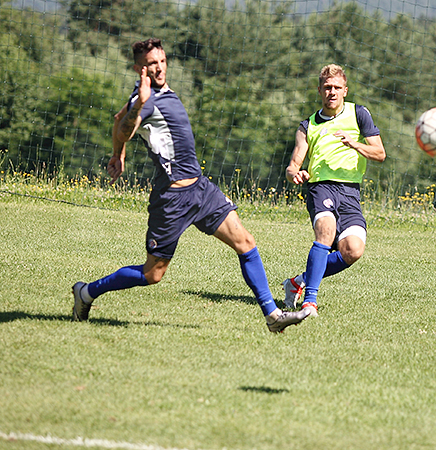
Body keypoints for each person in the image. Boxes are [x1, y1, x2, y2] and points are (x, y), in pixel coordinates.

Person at [72, 38, 312, 333]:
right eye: (151, 64)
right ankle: (86, 292)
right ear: (139, 68)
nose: (159, 68)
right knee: (153, 273)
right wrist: (139, 109)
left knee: (246, 242)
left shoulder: (161, 93)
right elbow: (125, 126)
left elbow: (116, 119)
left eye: (161, 61)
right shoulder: (144, 100)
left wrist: (117, 154)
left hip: (200, 189)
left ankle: (272, 316)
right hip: (172, 198)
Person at [282, 64, 386, 315]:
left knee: (353, 250)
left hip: (350, 192)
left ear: (345, 91)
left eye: (337, 88)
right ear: (319, 90)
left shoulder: (359, 114)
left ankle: (296, 282)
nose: (332, 92)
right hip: (321, 189)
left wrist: (354, 144)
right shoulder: (307, 126)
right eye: (327, 87)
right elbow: (292, 166)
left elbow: (380, 153)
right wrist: (296, 174)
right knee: (326, 233)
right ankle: (309, 301)